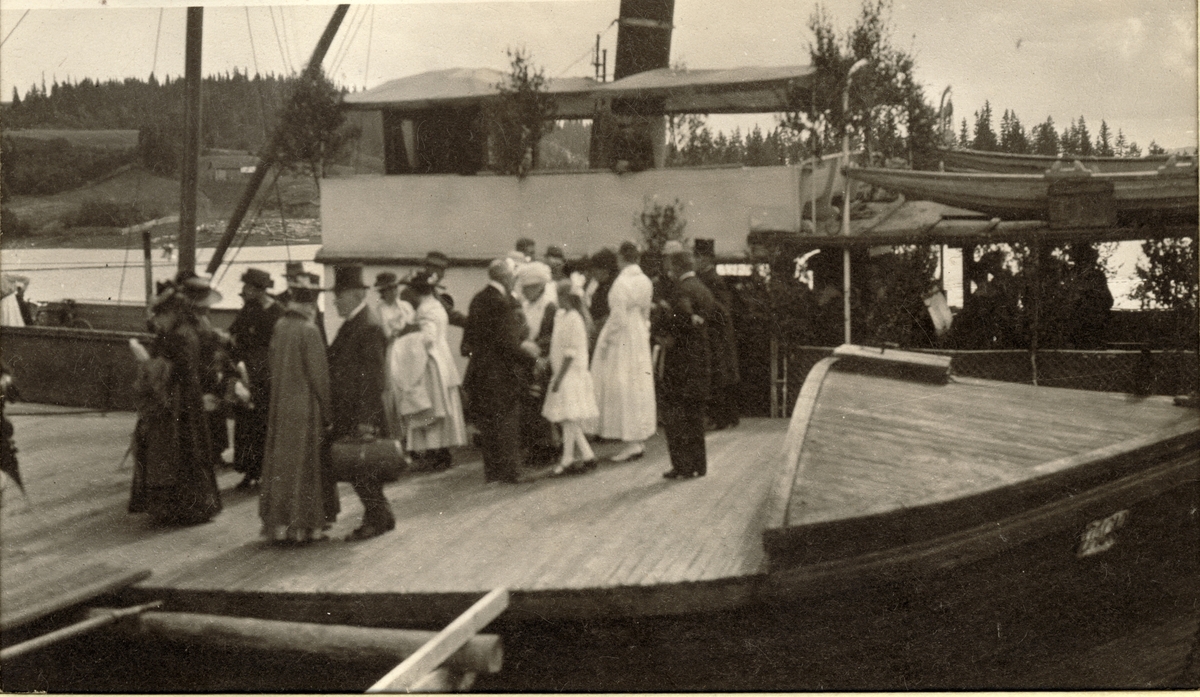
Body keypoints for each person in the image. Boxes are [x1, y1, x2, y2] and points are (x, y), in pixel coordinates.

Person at [128, 275, 223, 525]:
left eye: (159, 316)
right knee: (189, 451)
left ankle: (179, 509)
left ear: (169, 313)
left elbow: (169, 372)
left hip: (177, 402)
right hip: (187, 399)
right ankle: (193, 506)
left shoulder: (177, 336)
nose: (156, 321)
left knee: (173, 452)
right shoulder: (185, 331)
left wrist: (144, 361)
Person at [258, 272, 337, 543]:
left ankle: (278, 524)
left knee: (282, 465)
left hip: (281, 405)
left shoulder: (280, 326)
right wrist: (328, 413)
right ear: (312, 305)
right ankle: (304, 526)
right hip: (305, 408)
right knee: (306, 467)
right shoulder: (310, 330)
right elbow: (320, 377)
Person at [327, 265, 394, 540]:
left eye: (339, 295)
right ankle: (380, 516)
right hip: (351, 410)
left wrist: (366, 420)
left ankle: (378, 519)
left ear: (354, 295)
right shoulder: (356, 323)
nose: (335, 301)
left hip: (362, 414)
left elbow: (374, 378)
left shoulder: (368, 327)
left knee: (362, 469)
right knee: (360, 470)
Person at [462, 258, 541, 483]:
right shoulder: (502, 303)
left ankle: (494, 472)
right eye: (513, 277)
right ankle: (512, 472)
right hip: (502, 373)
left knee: (489, 424)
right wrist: (530, 360)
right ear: (506, 278)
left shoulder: (478, 299)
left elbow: (468, 341)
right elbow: (508, 344)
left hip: (480, 372)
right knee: (507, 421)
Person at [589, 241, 656, 462]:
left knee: (622, 384)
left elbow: (617, 318)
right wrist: (643, 331)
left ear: (621, 259)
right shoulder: (645, 280)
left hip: (623, 335)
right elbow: (646, 312)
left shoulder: (621, 282)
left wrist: (607, 342)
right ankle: (637, 439)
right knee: (637, 383)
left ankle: (631, 441)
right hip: (637, 333)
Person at [655, 244, 716, 479]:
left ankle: (682, 465)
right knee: (695, 417)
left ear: (677, 266)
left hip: (680, 362)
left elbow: (679, 318)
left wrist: (664, 332)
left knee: (676, 417)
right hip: (700, 361)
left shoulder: (680, 290)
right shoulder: (703, 289)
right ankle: (699, 465)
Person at [402, 271, 467, 469]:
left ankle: (437, 452)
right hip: (440, 359)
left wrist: (409, 338)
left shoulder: (426, 310)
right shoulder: (436, 305)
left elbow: (428, 337)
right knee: (436, 407)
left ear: (416, 291)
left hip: (430, 363)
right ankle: (438, 451)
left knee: (430, 407)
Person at [227, 268, 284, 489]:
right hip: (247, 372)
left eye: (248, 287)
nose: (243, 291)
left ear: (258, 289)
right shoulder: (248, 309)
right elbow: (235, 333)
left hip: (267, 374)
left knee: (264, 422)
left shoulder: (277, 311)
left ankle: (266, 471)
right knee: (246, 423)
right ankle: (250, 470)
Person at [543, 278, 599, 476]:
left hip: (570, 373)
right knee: (568, 418)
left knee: (568, 417)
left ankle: (567, 459)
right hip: (562, 372)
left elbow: (571, 352)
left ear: (568, 297)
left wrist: (559, 377)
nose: (557, 299)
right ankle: (587, 455)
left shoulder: (575, 318)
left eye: (560, 295)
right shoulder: (561, 316)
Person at [693, 240, 740, 430]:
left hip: (716, 335)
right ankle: (726, 417)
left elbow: (722, 309)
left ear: (704, 259)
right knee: (721, 376)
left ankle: (720, 418)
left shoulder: (711, 280)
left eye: (696, 257)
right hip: (717, 334)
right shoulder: (710, 278)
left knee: (719, 376)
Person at [516, 262, 559, 466]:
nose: (525, 292)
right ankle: (534, 445)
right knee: (529, 404)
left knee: (542, 402)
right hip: (528, 358)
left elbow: (552, 335)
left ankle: (547, 446)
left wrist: (534, 346)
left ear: (539, 286)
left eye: (529, 288)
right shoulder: (525, 306)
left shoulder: (549, 306)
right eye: (524, 288)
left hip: (544, 359)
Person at [421, 251, 468, 328]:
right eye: (442, 270)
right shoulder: (421, 289)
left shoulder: (429, 289)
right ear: (431, 268)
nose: (442, 275)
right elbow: (449, 313)